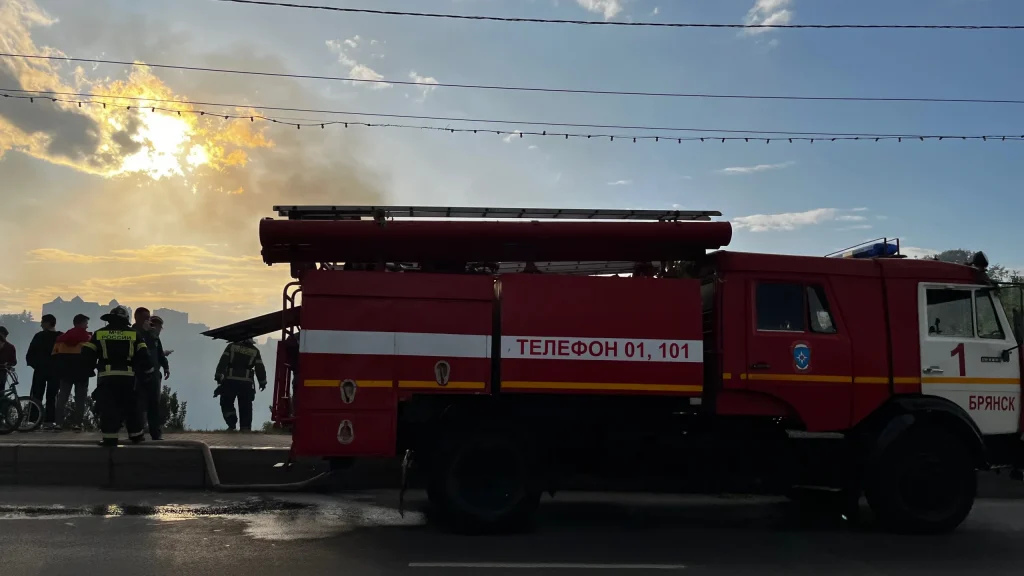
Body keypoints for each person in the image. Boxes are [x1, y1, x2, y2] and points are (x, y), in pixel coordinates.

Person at [82, 306, 154, 446]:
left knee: (109, 407)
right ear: (126, 320)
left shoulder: (99, 334)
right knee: (131, 406)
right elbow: (144, 357)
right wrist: (148, 373)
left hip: (107, 377)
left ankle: (109, 438)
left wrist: (89, 370)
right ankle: (136, 436)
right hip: (128, 378)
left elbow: (87, 355)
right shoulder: (134, 334)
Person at [214, 337, 267, 432]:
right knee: (246, 406)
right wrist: (262, 382)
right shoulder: (254, 350)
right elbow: (260, 368)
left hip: (230, 381)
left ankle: (231, 423)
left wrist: (218, 375)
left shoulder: (231, 346)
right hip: (246, 384)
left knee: (226, 403)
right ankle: (245, 428)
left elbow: (223, 362)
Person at [53, 314, 94, 431]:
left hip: (65, 373)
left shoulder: (61, 339)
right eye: (86, 323)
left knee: (62, 398)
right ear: (81, 323)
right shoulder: (88, 339)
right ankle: (78, 424)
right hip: (82, 373)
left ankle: (58, 423)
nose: (87, 326)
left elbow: (55, 356)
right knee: (80, 399)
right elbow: (92, 357)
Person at [27, 314, 62, 430]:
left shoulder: (38, 336)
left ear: (47, 323)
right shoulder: (60, 337)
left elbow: (30, 354)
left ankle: (33, 421)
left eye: (42, 322)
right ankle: (49, 421)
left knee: (36, 396)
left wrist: (36, 365)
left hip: (40, 370)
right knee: (52, 397)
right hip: (55, 371)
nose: (41, 324)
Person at [140, 315, 171, 439]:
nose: (157, 329)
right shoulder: (140, 335)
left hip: (155, 375)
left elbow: (159, 354)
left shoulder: (156, 339)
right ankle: (139, 430)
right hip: (141, 374)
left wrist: (166, 367)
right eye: (154, 325)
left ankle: (155, 433)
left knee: (154, 405)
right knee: (140, 403)